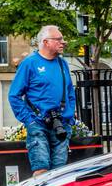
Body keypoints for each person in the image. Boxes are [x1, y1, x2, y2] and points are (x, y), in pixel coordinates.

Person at [8, 24, 75, 176]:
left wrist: (69, 117)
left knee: (59, 173)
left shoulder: (62, 63)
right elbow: (14, 95)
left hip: (61, 124)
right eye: (58, 39)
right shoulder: (29, 63)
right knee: (41, 170)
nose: (63, 42)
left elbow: (70, 91)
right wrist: (29, 120)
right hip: (38, 124)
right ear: (46, 42)